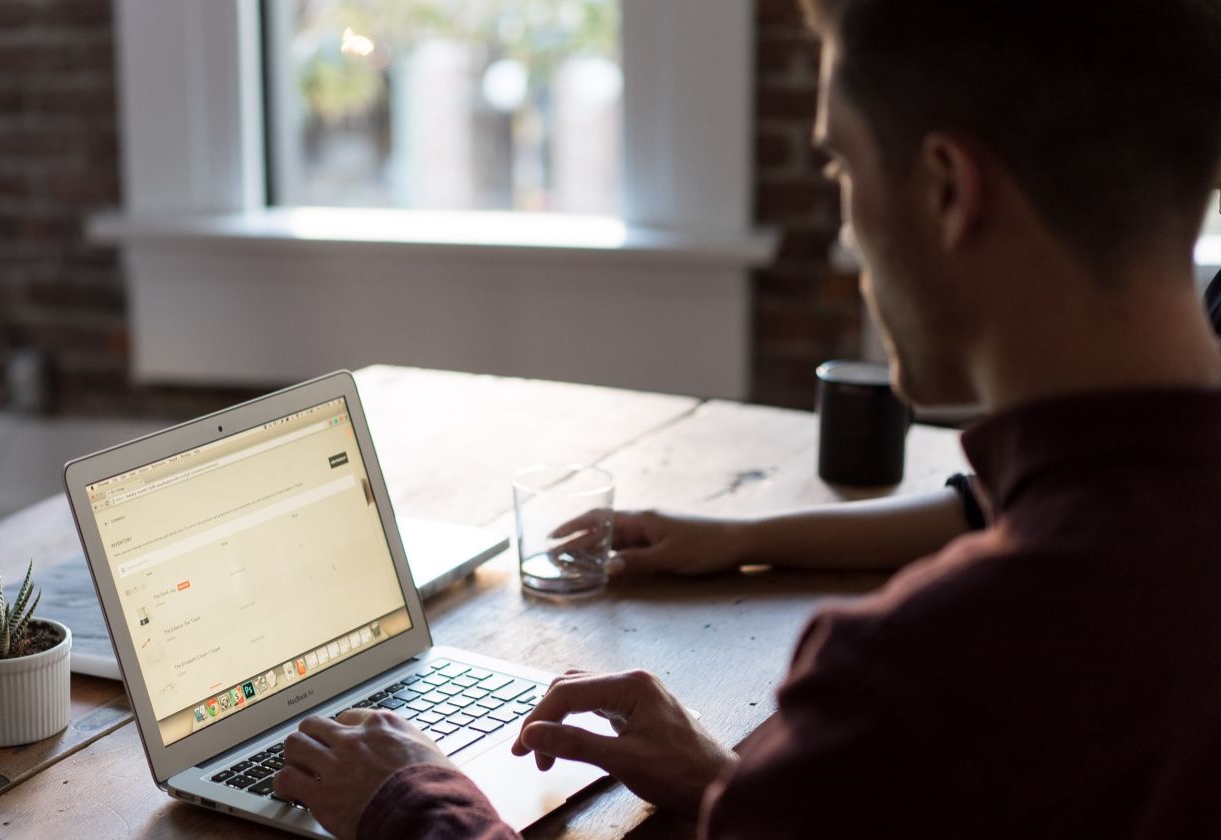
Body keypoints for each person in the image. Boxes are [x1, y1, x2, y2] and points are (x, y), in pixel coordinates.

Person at [271, 0, 1221, 837]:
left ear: (945, 190)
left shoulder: (924, 676)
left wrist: (410, 800)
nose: (850, 239)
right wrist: (742, 789)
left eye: (844, 167)